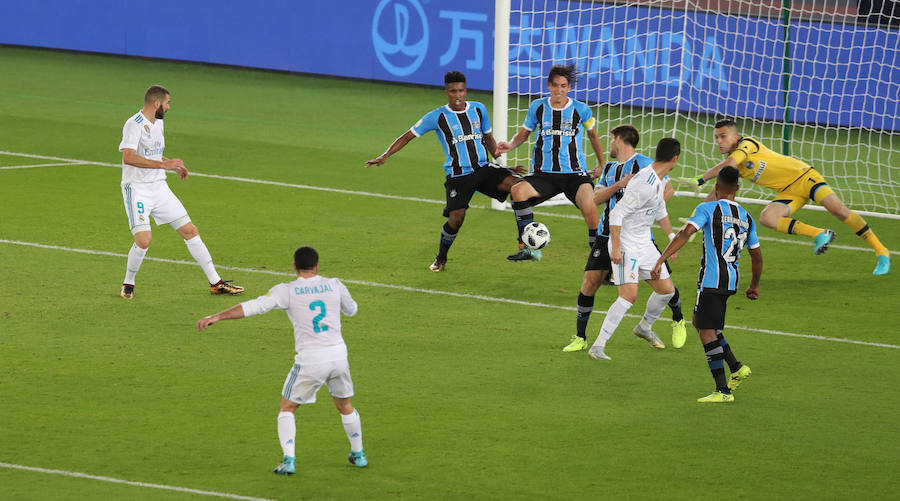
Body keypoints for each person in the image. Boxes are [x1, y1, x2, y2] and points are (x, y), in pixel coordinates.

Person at [197, 246, 367, 473]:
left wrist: (218, 316)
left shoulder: (287, 290)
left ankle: (289, 461)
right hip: (338, 356)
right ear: (317, 266)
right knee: (344, 405)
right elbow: (352, 310)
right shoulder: (335, 284)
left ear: (294, 266)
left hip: (311, 359)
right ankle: (359, 454)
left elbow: (255, 306)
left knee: (288, 407)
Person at [365, 71, 524, 272]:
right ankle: (441, 258)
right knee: (456, 219)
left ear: (466, 91)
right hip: (459, 177)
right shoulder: (437, 117)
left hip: (484, 168)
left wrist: (503, 165)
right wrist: (385, 155)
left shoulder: (479, 109)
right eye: (453, 91)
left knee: (519, 186)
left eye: (461, 91)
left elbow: (488, 139)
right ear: (446, 92)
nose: (457, 95)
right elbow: (407, 136)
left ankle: (524, 241)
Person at [696, 119, 889, 275]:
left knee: (838, 210)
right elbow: (718, 192)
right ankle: (819, 234)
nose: (719, 141)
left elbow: (729, 163)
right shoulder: (732, 166)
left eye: (723, 136)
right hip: (789, 192)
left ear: (735, 137)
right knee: (767, 218)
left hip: (804, 177)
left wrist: (700, 179)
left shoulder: (747, 145)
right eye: (716, 138)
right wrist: (696, 220)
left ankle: (882, 252)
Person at [563, 126, 687, 353]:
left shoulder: (645, 164)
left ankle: (678, 319)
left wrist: (645, 217)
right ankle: (581, 338)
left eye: (611, 139)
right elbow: (595, 199)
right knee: (590, 283)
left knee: (664, 282)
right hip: (607, 234)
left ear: (619, 140)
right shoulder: (610, 168)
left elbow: (666, 191)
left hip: (639, 236)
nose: (609, 144)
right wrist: (619, 185)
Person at [118, 85, 244, 298]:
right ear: (156, 103)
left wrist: (171, 164)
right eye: (167, 103)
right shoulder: (134, 124)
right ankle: (128, 283)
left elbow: (154, 155)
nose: (169, 107)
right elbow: (128, 157)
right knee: (144, 240)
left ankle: (216, 282)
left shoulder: (158, 124)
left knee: (190, 231)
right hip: (137, 190)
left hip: (160, 188)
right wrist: (163, 166)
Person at [653, 166, 762, 403]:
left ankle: (722, 391)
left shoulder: (708, 208)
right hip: (731, 279)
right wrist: (754, 285)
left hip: (711, 280)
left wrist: (661, 258)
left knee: (706, 332)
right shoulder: (747, 216)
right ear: (737, 189)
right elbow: (757, 255)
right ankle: (736, 366)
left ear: (716, 187)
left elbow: (685, 233)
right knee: (700, 323)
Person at [495, 64, 605, 262]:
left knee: (590, 209)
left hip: (574, 175)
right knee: (518, 191)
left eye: (563, 86)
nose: (559, 90)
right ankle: (529, 248)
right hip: (544, 175)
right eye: (555, 85)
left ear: (569, 87)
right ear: (549, 86)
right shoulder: (538, 107)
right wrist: (510, 146)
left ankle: (600, 262)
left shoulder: (581, 110)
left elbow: (594, 136)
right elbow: (524, 133)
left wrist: (601, 164)